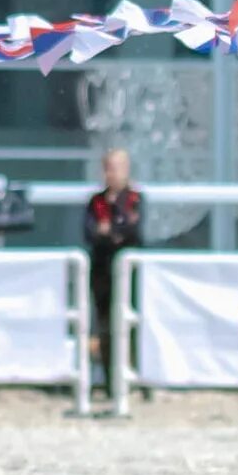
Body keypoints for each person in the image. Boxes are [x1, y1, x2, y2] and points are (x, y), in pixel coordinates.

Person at [82, 146, 143, 405]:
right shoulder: (95, 201)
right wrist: (111, 231)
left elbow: (132, 229)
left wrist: (111, 229)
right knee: (106, 328)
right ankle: (109, 382)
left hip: (129, 274)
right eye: (108, 168)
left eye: (117, 167)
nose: (112, 173)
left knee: (131, 328)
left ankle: (133, 380)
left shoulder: (134, 198)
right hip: (103, 271)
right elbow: (90, 231)